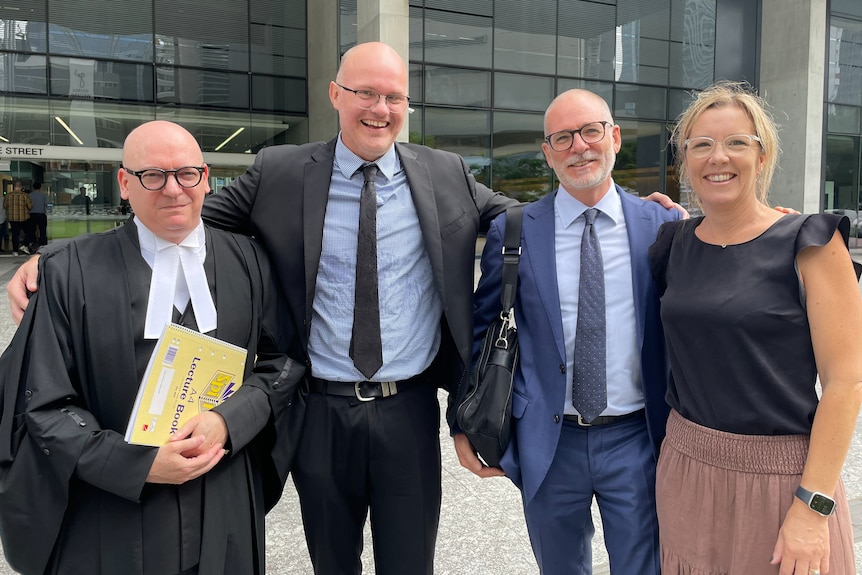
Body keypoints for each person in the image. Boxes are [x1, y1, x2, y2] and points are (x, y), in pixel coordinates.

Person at [6, 42, 681, 575]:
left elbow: (527, 220)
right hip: (318, 408)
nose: (379, 108)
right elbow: (179, 210)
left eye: (393, 97)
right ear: (336, 96)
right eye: (365, 93)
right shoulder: (278, 171)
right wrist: (65, 259)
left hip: (409, 408)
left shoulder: (443, 173)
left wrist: (623, 211)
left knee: (409, 560)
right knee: (333, 559)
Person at [0, 120, 303, 575]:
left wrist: (228, 421)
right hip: (110, 509)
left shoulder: (251, 261)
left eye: (186, 174)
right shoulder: (68, 273)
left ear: (204, 177)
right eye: (152, 176)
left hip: (221, 500)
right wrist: (134, 464)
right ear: (124, 183)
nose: (172, 190)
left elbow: (283, 363)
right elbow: (41, 401)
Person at [458, 89, 680, 574]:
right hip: (548, 442)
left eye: (590, 131)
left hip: (637, 440)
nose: (578, 146)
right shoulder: (513, 230)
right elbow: (480, 333)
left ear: (614, 137)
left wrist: (782, 226)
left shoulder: (663, 225)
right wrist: (461, 422)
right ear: (548, 152)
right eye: (562, 137)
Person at [650, 81, 860, 574]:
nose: (717, 157)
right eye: (701, 144)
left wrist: (812, 507)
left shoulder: (809, 242)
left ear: (762, 157)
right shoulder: (671, 243)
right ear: (684, 160)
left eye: (736, 142)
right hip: (686, 468)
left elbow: (846, 382)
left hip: (780, 478)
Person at [3, 179, 32, 255]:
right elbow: (30, 206)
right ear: (21, 187)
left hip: (13, 218)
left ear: (14, 187)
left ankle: (15, 251)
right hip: (24, 217)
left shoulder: (8, 196)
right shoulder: (25, 196)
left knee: (15, 234)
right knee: (29, 232)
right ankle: (24, 244)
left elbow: (5, 206)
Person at [27, 181, 48, 250]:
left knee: (32, 230)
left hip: (31, 215)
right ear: (40, 187)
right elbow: (47, 204)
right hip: (41, 214)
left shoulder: (29, 195)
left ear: (33, 187)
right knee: (42, 230)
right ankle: (43, 244)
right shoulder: (43, 195)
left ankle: (33, 243)